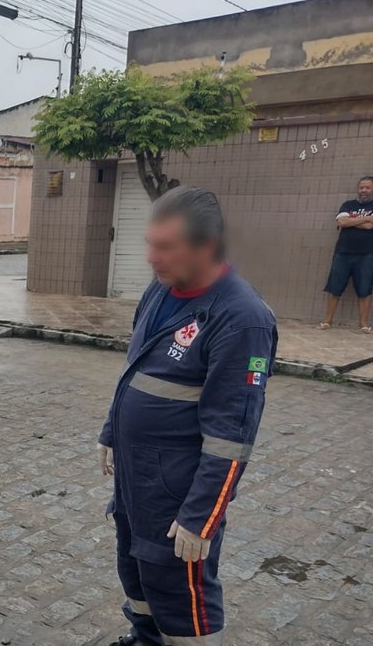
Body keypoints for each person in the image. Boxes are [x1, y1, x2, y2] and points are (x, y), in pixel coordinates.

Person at [96, 187, 278, 646]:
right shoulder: (160, 290)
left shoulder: (241, 318)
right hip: (134, 478)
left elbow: (232, 434)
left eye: (166, 247)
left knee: (183, 598)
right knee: (135, 573)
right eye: (150, 244)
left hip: (176, 489)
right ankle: (145, 638)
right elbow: (136, 370)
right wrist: (110, 433)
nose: (152, 258)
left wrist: (203, 517)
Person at [319, 176, 373, 333]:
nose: (364, 190)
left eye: (367, 187)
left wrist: (353, 220)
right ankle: (327, 321)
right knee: (335, 287)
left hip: (368, 254)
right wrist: (367, 219)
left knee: (365, 288)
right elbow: (343, 223)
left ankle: (363, 324)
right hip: (343, 253)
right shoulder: (347, 204)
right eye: (361, 187)